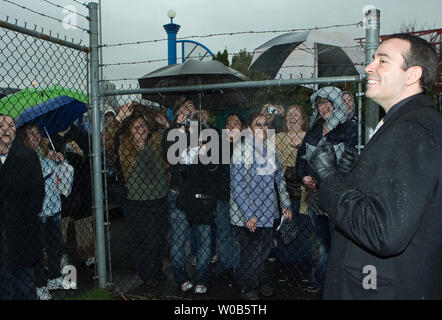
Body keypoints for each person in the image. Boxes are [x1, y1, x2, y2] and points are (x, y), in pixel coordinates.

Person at [307, 33, 441, 299]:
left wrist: (329, 178)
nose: (369, 66)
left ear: (412, 74)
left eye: (383, 61)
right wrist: (349, 179)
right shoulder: (412, 123)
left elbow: (383, 231)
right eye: (373, 59)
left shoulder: (411, 130)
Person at [295, 86, 357, 293]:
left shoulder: (348, 127)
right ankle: (321, 282)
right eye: (320, 103)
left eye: (327, 102)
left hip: (337, 195)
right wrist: (304, 176)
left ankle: (337, 285)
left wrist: (325, 181)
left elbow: (350, 161)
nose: (323, 107)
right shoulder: (314, 127)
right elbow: (302, 155)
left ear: (336, 104)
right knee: (322, 243)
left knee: (338, 243)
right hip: (315, 197)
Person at [106, 102, 170, 293]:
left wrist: (166, 124)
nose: (141, 129)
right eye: (136, 127)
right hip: (136, 201)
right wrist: (119, 118)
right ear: (130, 130)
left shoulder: (155, 140)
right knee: (143, 238)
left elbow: (173, 140)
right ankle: (147, 274)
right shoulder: (124, 142)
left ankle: (157, 269)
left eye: (143, 125)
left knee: (159, 237)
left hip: (158, 196)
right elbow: (106, 141)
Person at [231, 112, 292, 300]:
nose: (263, 128)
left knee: (264, 250)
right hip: (246, 213)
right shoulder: (241, 151)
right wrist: (249, 214)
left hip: (268, 212)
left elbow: (279, 180)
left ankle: (259, 281)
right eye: (258, 125)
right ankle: (249, 287)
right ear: (249, 129)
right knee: (252, 252)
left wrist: (286, 204)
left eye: (266, 125)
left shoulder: (270, 151)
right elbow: (237, 185)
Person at [17, 124, 75, 300]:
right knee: (37, 249)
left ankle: (54, 276)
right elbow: (35, 178)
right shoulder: (24, 156)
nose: (35, 137)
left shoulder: (46, 152)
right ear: (24, 137)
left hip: (53, 209)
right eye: (31, 134)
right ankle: (39, 284)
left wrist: (60, 160)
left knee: (55, 245)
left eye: (37, 133)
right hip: (38, 212)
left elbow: (60, 177)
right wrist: (49, 160)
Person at [0, 114, 45, 300]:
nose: (6, 129)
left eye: (10, 125)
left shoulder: (28, 155)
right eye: (1, 125)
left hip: (22, 229)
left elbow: (37, 193)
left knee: (24, 280)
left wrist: (21, 219)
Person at [271, 104, 312, 280]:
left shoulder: (310, 137)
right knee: (285, 231)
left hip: (305, 194)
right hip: (284, 193)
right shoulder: (278, 138)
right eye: (288, 115)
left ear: (303, 119)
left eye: (296, 114)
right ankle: (284, 269)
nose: (292, 117)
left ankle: (302, 270)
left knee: (303, 232)